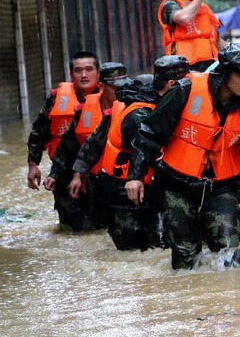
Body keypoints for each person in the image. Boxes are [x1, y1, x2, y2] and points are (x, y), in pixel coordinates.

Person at [124, 43, 240, 269]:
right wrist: (135, 176)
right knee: (185, 262)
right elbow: (150, 134)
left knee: (231, 256)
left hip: (222, 188)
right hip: (177, 186)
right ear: (226, 72)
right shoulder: (185, 90)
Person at [68, 56, 190, 251]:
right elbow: (96, 143)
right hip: (124, 192)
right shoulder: (140, 115)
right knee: (135, 249)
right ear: (171, 84)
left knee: (152, 246)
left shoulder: (149, 105)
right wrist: (78, 173)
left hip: (139, 189)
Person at [44, 62, 129, 231]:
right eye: (115, 88)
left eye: (124, 86)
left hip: (122, 184)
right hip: (93, 184)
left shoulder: (132, 108)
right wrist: (55, 174)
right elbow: (67, 147)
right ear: (102, 86)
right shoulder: (84, 111)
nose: (121, 92)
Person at [27, 51, 100, 191]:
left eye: (89, 69)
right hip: (63, 173)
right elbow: (38, 132)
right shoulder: (56, 100)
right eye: (78, 71)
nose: (84, 75)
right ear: (71, 75)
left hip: (99, 177)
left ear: (98, 73)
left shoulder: (109, 98)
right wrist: (33, 164)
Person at [158, 0, 226, 72]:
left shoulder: (205, 9)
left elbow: (218, 42)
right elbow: (185, 18)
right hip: (182, 73)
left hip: (210, 71)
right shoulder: (170, 4)